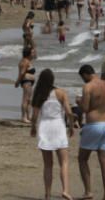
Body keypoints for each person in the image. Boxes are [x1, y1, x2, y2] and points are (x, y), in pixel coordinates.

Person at [30, 69, 75, 200]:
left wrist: (33, 127)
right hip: (58, 126)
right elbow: (69, 112)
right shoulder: (60, 93)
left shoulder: (39, 94)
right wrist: (71, 126)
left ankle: (48, 194)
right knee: (64, 162)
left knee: (48, 165)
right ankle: (66, 190)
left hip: (45, 126)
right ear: (52, 80)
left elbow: (34, 116)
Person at [76, 64, 105, 200]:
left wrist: (79, 101)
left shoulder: (88, 86)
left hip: (94, 125)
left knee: (82, 159)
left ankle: (88, 192)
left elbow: (85, 108)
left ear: (86, 74)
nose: (83, 80)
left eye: (83, 78)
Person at [16, 47, 36, 123]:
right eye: (32, 53)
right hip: (26, 81)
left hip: (28, 82)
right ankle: (23, 117)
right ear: (28, 54)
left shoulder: (27, 61)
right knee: (25, 99)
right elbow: (22, 73)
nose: (33, 54)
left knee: (29, 100)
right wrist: (18, 82)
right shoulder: (25, 62)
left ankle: (28, 116)